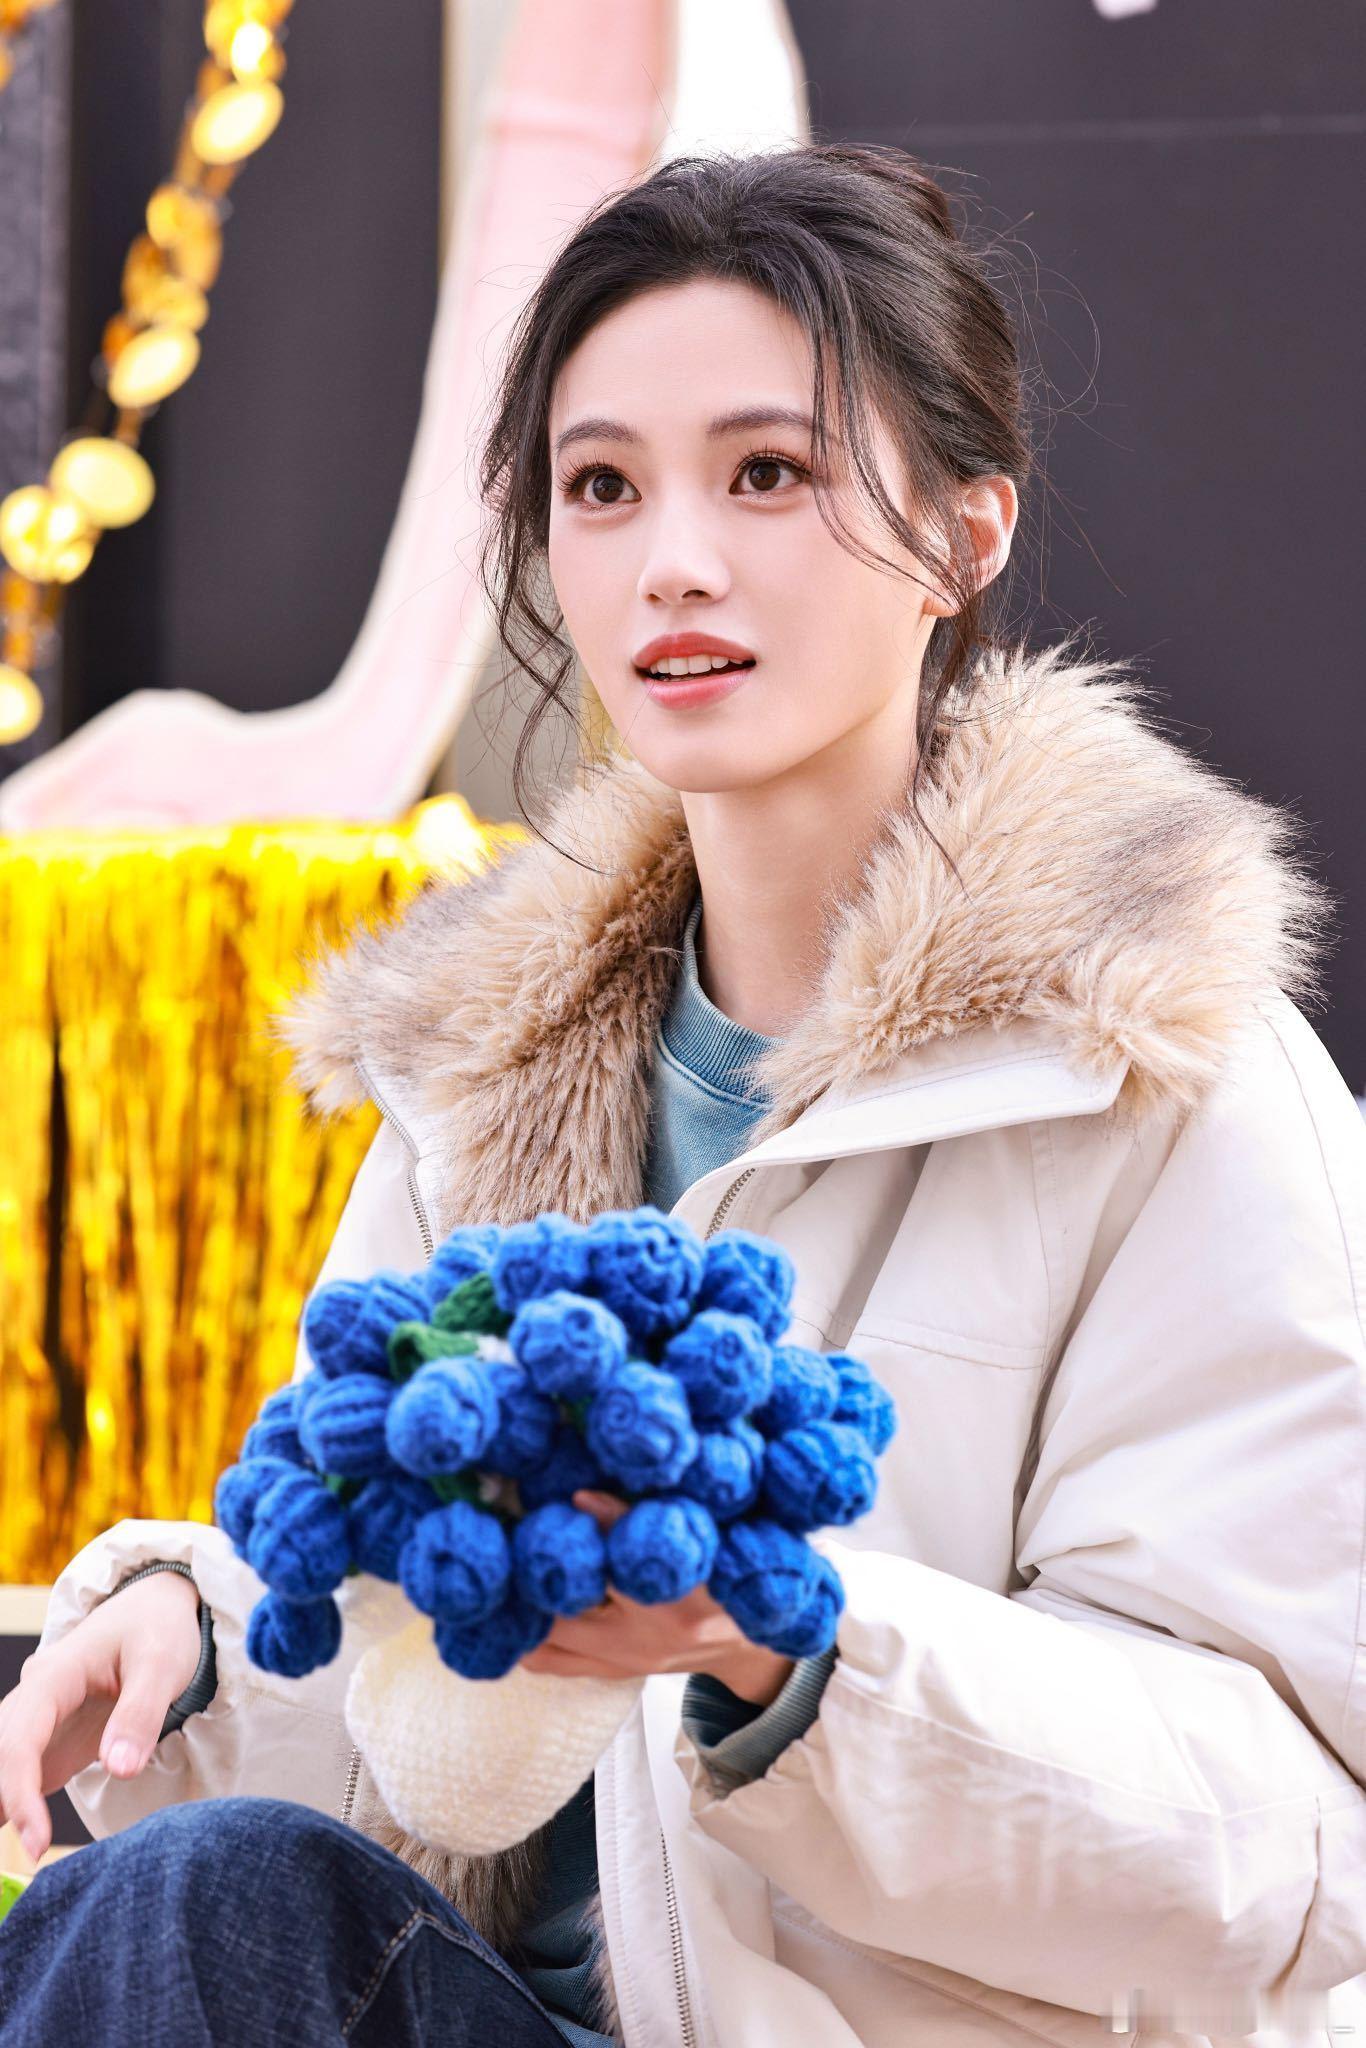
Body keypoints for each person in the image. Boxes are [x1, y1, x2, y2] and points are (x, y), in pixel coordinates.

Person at [2, 141, 1364, 2047]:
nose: (673, 562)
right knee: (185, 1892)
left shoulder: (1159, 1074)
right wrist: (212, 1646)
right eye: (601, 487)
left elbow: (1294, 1847)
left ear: (965, 533)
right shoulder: (483, 1074)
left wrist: (778, 1644)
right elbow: (437, 1721)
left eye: (768, 472)